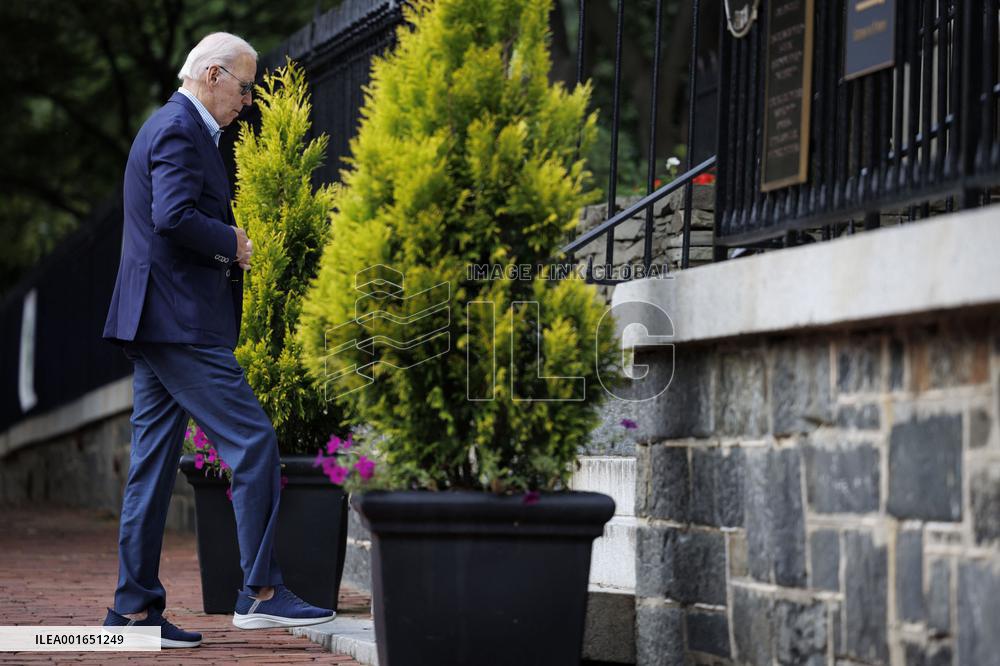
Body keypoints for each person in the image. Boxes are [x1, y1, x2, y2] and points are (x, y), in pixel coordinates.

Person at [100, 32, 334, 648]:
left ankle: (131, 612)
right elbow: (172, 217)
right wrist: (233, 242)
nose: (250, 99)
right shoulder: (180, 128)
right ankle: (259, 592)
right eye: (245, 84)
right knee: (254, 441)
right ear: (211, 75)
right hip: (178, 323)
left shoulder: (175, 126)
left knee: (151, 466)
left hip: (157, 320)